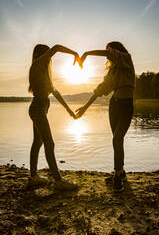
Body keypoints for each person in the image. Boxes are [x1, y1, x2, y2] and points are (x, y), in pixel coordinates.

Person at [76, 41, 135, 192]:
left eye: (108, 50)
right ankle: (120, 172)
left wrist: (86, 54)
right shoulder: (112, 72)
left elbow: (110, 53)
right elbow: (100, 91)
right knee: (116, 139)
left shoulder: (126, 59)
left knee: (117, 138)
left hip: (126, 105)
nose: (107, 53)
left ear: (116, 50)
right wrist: (84, 108)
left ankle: (117, 175)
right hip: (114, 105)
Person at [28, 43, 79, 190]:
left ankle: (33, 177)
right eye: (47, 55)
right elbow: (56, 48)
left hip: (41, 107)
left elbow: (55, 92)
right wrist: (74, 52)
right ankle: (58, 181)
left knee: (38, 142)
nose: (50, 59)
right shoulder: (38, 65)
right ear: (42, 55)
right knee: (49, 143)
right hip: (38, 108)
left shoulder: (44, 72)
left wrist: (69, 110)